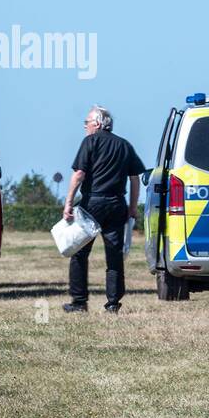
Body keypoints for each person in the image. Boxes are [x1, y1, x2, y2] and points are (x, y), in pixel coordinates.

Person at [61, 105, 145, 314]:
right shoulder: (125, 145)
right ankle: (113, 303)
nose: (85, 127)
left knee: (79, 252)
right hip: (117, 204)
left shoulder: (90, 142)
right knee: (114, 256)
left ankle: (79, 302)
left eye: (86, 122)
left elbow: (79, 173)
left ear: (97, 124)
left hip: (92, 203)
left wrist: (69, 202)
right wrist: (132, 207)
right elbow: (135, 179)